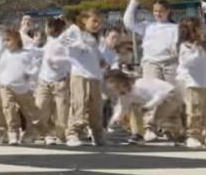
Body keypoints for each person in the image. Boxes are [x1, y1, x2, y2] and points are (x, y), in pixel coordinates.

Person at [0, 26, 48, 145]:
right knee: (9, 109)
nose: (6, 43)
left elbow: (34, 67)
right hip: (6, 86)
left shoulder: (25, 54)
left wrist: (31, 76)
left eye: (8, 40)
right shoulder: (4, 55)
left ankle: (32, 133)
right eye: (5, 40)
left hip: (23, 88)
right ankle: (13, 134)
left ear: (17, 40)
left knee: (31, 112)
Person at [63, 10, 110, 146]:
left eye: (99, 22)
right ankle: (73, 133)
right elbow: (63, 41)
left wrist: (102, 60)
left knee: (96, 106)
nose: (97, 24)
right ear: (84, 20)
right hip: (80, 75)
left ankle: (97, 133)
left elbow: (95, 52)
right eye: (94, 21)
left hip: (95, 76)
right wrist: (76, 42)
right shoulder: (75, 31)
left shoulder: (92, 38)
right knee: (79, 104)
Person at [107, 71, 183, 144]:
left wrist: (148, 107)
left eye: (115, 85)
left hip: (170, 94)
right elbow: (122, 108)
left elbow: (161, 94)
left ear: (122, 83)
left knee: (155, 118)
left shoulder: (138, 86)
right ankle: (138, 135)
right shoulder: (124, 94)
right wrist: (116, 120)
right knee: (134, 107)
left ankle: (176, 133)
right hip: (154, 100)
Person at [176, 17, 206, 148]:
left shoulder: (204, 45)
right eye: (200, 28)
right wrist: (198, 52)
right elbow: (187, 63)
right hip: (193, 84)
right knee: (194, 112)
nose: (203, 30)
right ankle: (193, 136)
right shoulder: (186, 46)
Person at [33, 17, 72, 145]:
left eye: (47, 27)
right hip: (44, 81)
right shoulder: (48, 41)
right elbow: (40, 54)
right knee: (41, 107)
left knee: (61, 111)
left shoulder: (65, 42)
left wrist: (55, 61)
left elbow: (68, 59)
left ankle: (61, 135)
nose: (46, 29)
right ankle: (47, 134)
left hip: (60, 81)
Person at [125, 0, 179, 83]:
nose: (158, 14)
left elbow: (177, 44)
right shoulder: (148, 26)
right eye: (155, 11)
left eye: (161, 11)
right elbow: (128, 23)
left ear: (168, 11)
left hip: (170, 63)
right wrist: (134, 2)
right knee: (153, 91)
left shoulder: (175, 27)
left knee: (172, 93)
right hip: (151, 63)